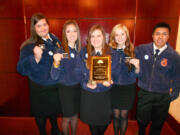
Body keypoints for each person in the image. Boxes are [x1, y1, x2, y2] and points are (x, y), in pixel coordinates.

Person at [17, 13, 62, 135]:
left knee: (53, 111)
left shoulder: (54, 39)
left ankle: (55, 129)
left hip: (54, 85)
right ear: (33, 28)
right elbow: (20, 69)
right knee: (40, 113)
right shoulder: (28, 45)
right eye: (39, 26)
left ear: (48, 24)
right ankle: (42, 132)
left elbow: (60, 53)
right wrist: (35, 58)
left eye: (45, 24)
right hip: (39, 87)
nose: (43, 28)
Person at [135, 22, 180, 135]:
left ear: (168, 36)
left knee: (158, 123)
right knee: (142, 120)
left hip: (163, 96)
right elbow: (127, 55)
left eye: (164, 34)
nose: (160, 37)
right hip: (145, 93)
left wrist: (173, 94)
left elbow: (177, 76)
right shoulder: (141, 49)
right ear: (152, 35)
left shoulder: (174, 56)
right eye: (157, 34)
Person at [75, 24, 119, 135]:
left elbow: (116, 73)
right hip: (89, 95)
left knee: (104, 124)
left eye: (98, 36)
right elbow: (78, 74)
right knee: (93, 126)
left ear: (104, 37)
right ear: (89, 39)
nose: (95, 39)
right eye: (92, 36)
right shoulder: (83, 53)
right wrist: (86, 84)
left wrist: (110, 81)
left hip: (105, 96)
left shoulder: (113, 54)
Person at [51, 20, 81, 135]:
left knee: (75, 116)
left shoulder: (80, 51)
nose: (72, 34)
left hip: (77, 88)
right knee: (67, 118)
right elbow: (54, 76)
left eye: (74, 31)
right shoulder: (60, 51)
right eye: (68, 31)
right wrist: (56, 62)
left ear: (78, 33)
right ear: (65, 34)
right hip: (66, 90)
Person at [109, 24, 140, 135]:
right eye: (117, 34)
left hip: (128, 88)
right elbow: (107, 72)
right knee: (116, 115)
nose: (120, 37)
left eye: (122, 34)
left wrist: (137, 67)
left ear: (126, 35)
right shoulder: (109, 52)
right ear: (113, 37)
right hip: (114, 88)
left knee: (124, 115)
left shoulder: (133, 51)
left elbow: (136, 75)